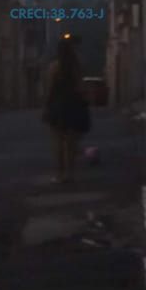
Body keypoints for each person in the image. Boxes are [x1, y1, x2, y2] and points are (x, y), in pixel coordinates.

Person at [42, 37, 91, 184]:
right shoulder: (76, 67)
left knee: (58, 141)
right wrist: (85, 99)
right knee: (71, 142)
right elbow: (81, 87)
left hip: (57, 106)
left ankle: (59, 174)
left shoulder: (53, 67)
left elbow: (49, 89)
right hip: (74, 105)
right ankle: (70, 173)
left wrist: (46, 106)